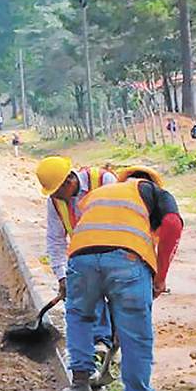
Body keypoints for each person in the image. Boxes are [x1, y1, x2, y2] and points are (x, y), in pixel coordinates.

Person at [56, 171, 182, 391]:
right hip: (128, 260)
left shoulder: (98, 195)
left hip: (81, 257)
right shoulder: (155, 193)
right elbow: (171, 224)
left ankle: (80, 383)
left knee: (80, 315)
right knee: (136, 335)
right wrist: (160, 276)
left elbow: (97, 237)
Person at [36, 156, 118, 379]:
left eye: (55, 190)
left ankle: (109, 345)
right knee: (85, 288)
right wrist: (62, 277)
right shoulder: (55, 202)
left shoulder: (104, 180)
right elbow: (55, 240)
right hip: (84, 255)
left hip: (118, 248)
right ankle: (101, 344)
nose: (53, 196)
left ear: (68, 182)